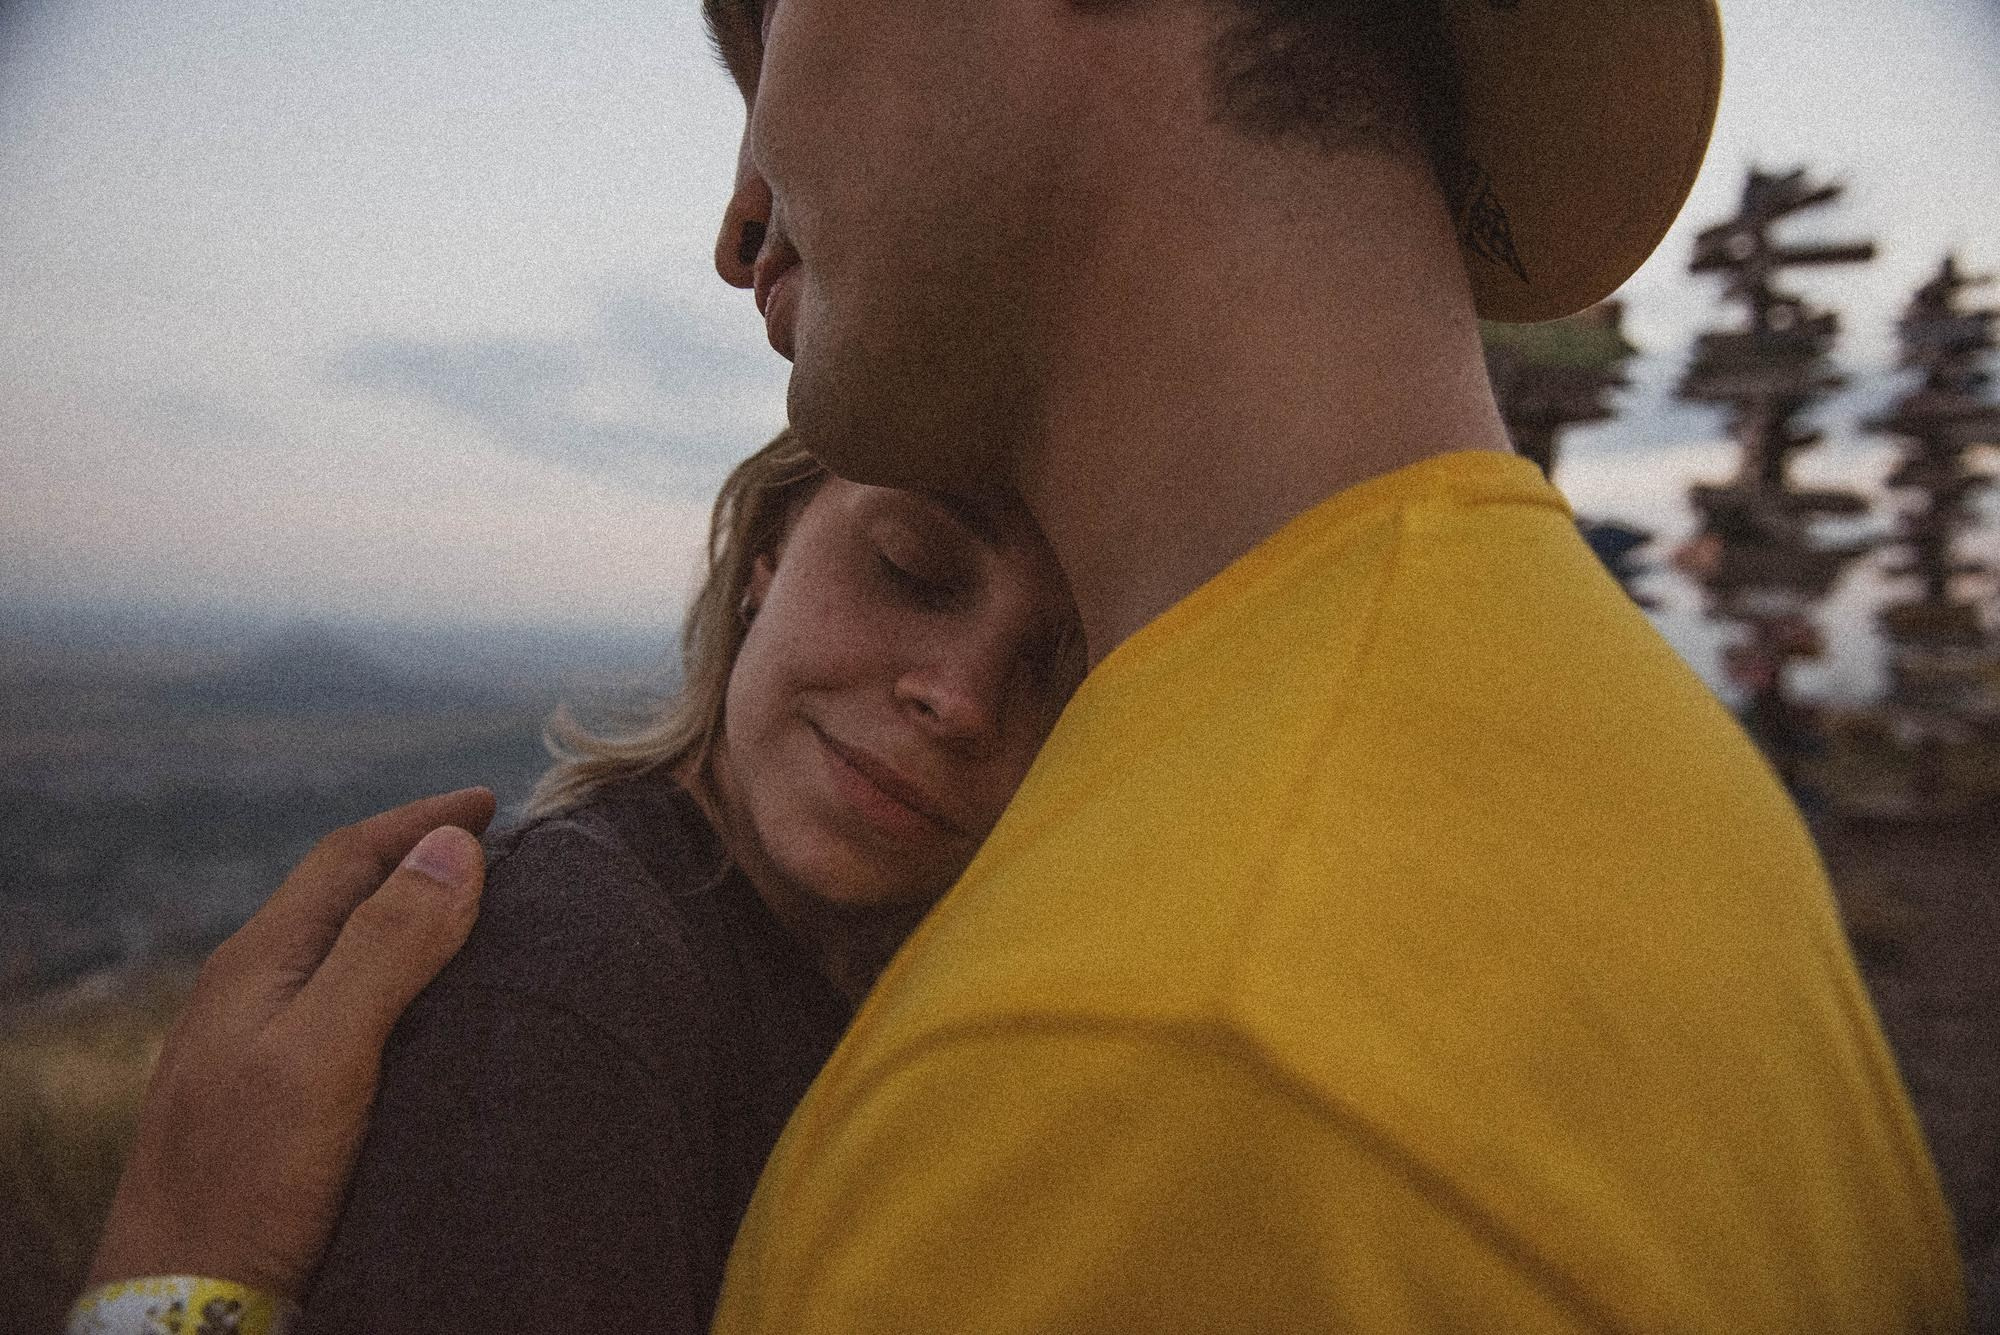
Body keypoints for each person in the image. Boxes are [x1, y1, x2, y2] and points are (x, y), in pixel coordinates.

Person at [83, 0, 1968, 1331]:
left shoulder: (1141, 1076)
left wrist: (169, 1299)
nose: (739, 216)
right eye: (906, 565)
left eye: (782, 20)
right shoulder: (1670, 782)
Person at [75, 429, 1080, 1335]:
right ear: (765, 559)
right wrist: (162, 1306)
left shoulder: (909, 1017)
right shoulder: (568, 975)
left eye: (1060, 667)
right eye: (910, 568)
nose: (959, 700)